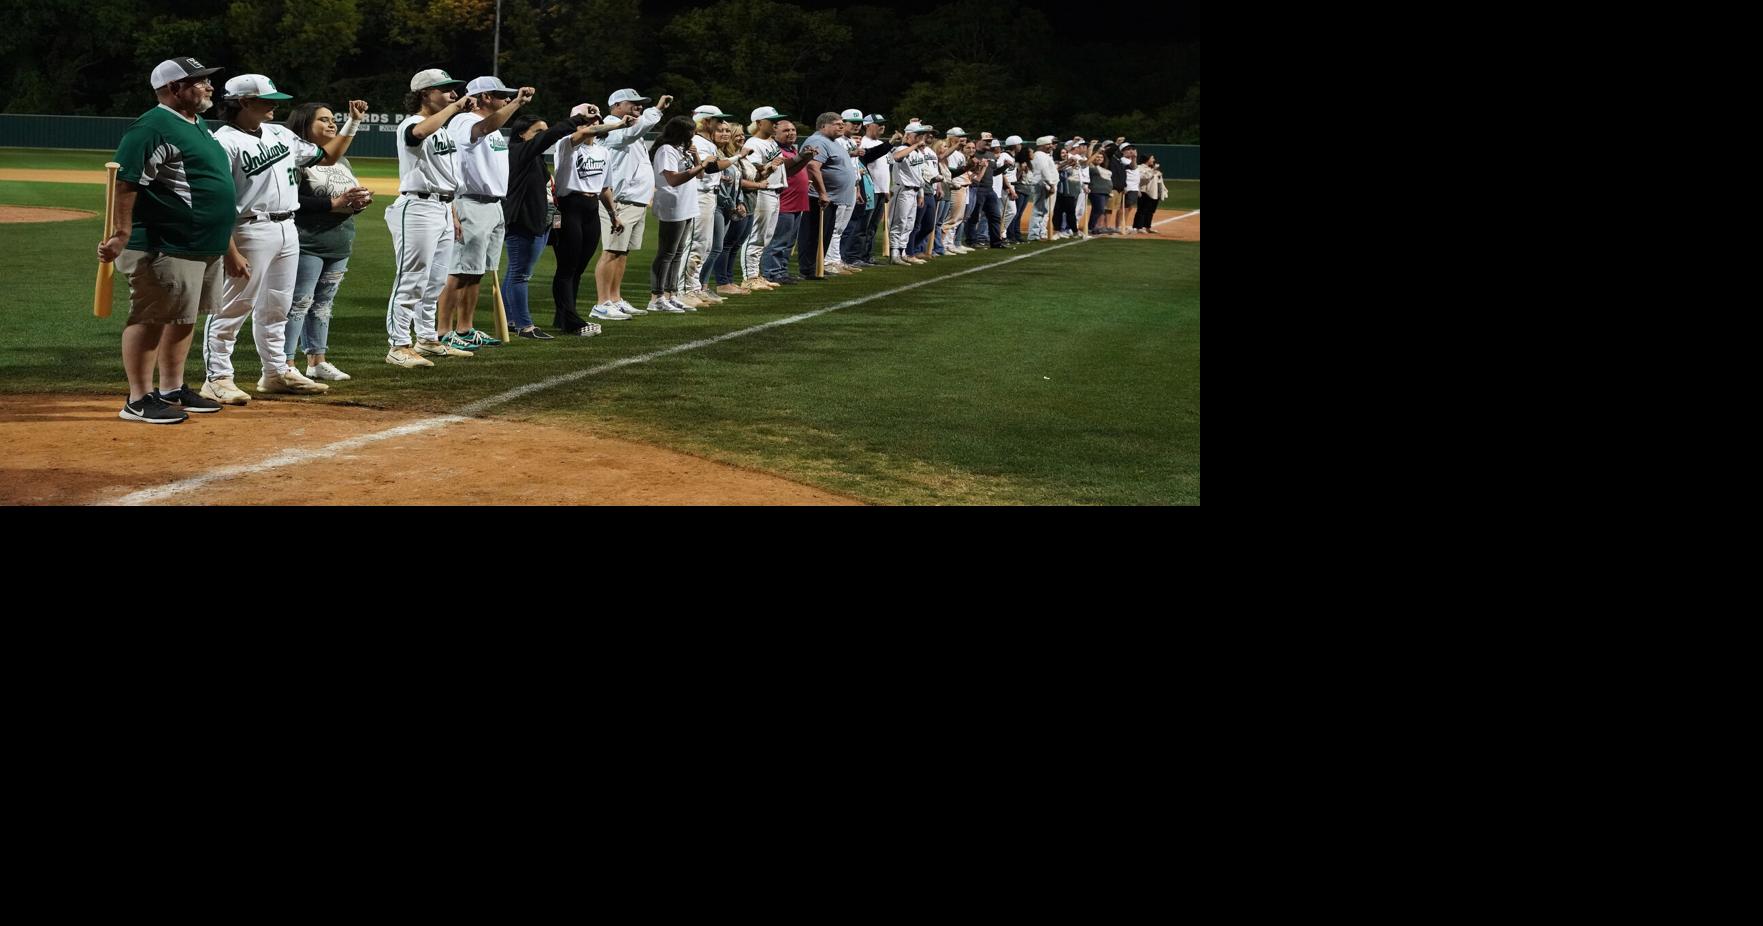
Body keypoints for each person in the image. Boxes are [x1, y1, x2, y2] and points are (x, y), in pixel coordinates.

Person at [203, 74, 366, 402]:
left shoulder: (279, 133)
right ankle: (217, 377)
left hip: (287, 227)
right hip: (248, 228)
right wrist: (229, 248)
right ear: (244, 102)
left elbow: (327, 157)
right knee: (235, 305)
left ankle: (275, 372)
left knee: (277, 305)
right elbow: (213, 201)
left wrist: (351, 124)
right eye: (268, 101)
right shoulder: (223, 142)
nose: (275, 107)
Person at [101, 56, 232, 423]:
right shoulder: (153, 127)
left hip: (202, 243)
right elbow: (126, 182)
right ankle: (138, 399)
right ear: (174, 89)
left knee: (184, 317)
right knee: (151, 317)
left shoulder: (197, 123)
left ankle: (171, 388)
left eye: (207, 80)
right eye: (199, 82)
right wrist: (122, 232)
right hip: (165, 244)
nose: (209, 87)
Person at [384, 68, 476, 369]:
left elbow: (446, 177)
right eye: (446, 89)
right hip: (418, 207)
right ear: (425, 94)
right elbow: (417, 135)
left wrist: (452, 212)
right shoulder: (411, 123)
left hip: (442, 207)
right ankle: (398, 344)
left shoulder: (445, 129)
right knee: (411, 278)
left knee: (434, 281)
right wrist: (454, 109)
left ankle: (427, 338)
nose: (453, 94)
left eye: (454, 90)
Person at [434, 75, 533, 352]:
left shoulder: (495, 127)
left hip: (492, 205)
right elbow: (482, 128)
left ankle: (465, 329)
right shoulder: (463, 121)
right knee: (458, 270)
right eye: (502, 95)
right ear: (486, 97)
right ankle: (443, 331)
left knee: (477, 271)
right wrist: (516, 104)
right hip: (471, 203)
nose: (506, 99)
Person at [286, 102, 372, 382]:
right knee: (299, 303)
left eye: (333, 119)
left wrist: (359, 200)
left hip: (339, 241)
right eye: (323, 120)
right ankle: (286, 363)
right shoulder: (297, 159)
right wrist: (333, 203)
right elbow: (293, 201)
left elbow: (345, 196)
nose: (331, 124)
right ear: (304, 125)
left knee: (323, 304)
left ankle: (316, 360)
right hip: (308, 241)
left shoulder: (341, 160)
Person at [501, 108, 587, 340]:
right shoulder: (519, 151)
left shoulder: (533, 156)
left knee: (515, 272)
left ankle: (509, 318)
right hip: (523, 222)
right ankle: (525, 325)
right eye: (537, 132)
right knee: (520, 275)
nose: (544, 135)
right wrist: (577, 120)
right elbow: (550, 138)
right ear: (522, 134)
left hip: (537, 221)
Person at [590, 88, 674, 320]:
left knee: (622, 252)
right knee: (611, 251)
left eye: (641, 103)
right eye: (633, 103)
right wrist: (655, 111)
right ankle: (601, 302)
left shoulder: (631, 127)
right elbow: (629, 135)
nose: (638, 106)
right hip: (619, 200)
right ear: (616, 106)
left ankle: (615, 299)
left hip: (634, 201)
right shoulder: (610, 126)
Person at [549, 102, 620, 334]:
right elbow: (581, 134)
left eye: (596, 119)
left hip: (590, 208)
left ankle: (565, 316)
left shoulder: (603, 151)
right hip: (569, 206)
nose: (593, 123)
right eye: (586, 119)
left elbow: (604, 187)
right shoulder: (566, 144)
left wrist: (613, 214)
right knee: (567, 267)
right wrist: (618, 124)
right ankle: (570, 319)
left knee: (579, 267)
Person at [649, 115, 721, 312]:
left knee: (678, 253)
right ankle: (657, 297)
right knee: (666, 253)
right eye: (690, 131)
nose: (694, 134)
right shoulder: (666, 150)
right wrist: (703, 163)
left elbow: (700, 175)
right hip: (673, 205)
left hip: (687, 205)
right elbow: (672, 179)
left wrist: (697, 158)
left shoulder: (682, 150)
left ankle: (672, 294)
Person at [679, 105, 737, 306]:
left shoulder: (706, 142)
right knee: (696, 244)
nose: (721, 124)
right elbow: (707, 167)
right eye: (717, 120)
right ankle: (685, 290)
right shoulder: (697, 141)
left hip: (709, 196)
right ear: (705, 121)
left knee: (705, 246)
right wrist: (736, 158)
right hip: (699, 196)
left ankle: (694, 287)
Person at [739, 107, 791, 290]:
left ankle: (757, 274)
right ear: (759, 123)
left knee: (766, 237)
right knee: (756, 236)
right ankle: (750, 276)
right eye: (772, 120)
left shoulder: (770, 141)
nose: (776, 123)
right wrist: (770, 165)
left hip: (774, 192)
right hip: (762, 192)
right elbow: (751, 172)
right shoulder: (752, 143)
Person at [795, 112, 850, 281]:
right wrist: (822, 192)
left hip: (831, 198)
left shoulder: (832, 141)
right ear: (823, 126)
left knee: (824, 234)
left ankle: (817, 265)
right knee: (813, 234)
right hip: (819, 198)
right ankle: (808, 269)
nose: (841, 126)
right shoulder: (818, 141)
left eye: (842, 123)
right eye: (836, 123)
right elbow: (812, 166)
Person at [761, 119, 815, 285]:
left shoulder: (791, 149)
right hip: (785, 200)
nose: (791, 133)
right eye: (786, 131)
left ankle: (782, 271)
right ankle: (771, 272)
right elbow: (785, 168)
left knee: (788, 242)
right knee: (778, 241)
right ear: (775, 132)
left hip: (797, 201)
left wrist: (806, 157)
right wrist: (801, 157)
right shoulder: (775, 150)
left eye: (793, 130)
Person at [709, 123, 752, 297]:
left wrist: (739, 201)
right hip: (721, 205)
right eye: (722, 131)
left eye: (728, 131)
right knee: (721, 246)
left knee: (732, 245)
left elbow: (734, 184)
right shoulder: (718, 155)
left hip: (733, 204)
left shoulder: (728, 155)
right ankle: (721, 282)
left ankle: (728, 280)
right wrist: (733, 204)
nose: (726, 134)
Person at [888, 122, 932, 265]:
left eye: (921, 135)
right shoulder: (902, 147)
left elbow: (918, 174)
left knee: (908, 224)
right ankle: (894, 253)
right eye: (917, 135)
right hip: (903, 189)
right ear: (908, 135)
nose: (920, 138)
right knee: (899, 222)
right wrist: (914, 145)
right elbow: (897, 157)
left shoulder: (918, 151)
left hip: (914, 190)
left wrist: (920, 193)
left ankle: (902, 252)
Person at [855, 113, 891, 263]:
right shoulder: (864, 143)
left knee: (873, 227)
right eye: (878, 123)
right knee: (863, 226)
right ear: (867, 125)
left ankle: (866, 255)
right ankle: (855, 256)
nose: (882, 126)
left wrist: (886, 189)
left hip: (880, 191)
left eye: (883, 123)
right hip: (870, 191)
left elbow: (884, 170)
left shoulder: (879, 143)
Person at [1027, 135, 1059, 241]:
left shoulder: (1043, 155)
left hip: (1043, 184)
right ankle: (1034, 234)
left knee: (1042, 210)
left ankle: (1038, 233)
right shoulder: (1040, 155)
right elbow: (1044, 170)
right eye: (1048, 144)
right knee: (1038, 210)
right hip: (1042, 184)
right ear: (1041, 145)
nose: (1050, 146)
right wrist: (1050, 184)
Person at [1086, 148, 1113, 235]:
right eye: (1097, 157)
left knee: (1098, 210)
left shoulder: (1105, 169)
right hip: (1096, 191)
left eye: (1101, 157)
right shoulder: (1092, 167)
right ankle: (1091, 227)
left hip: (1105, 192)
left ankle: (1093, 227)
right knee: (1099, 209)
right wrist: (1093, 148)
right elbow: (1088, 161)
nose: (1099, 158)